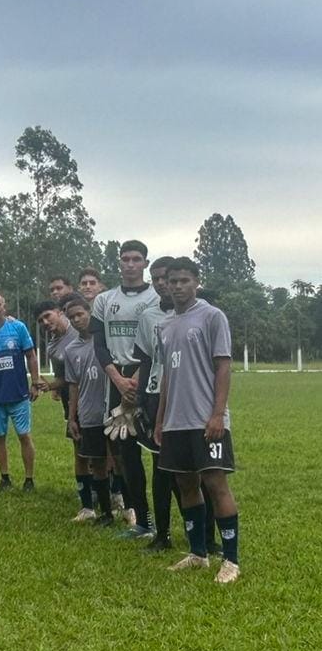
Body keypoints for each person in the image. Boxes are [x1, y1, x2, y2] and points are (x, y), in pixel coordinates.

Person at [156, 258, 240, 583]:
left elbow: (223, 367)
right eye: (172, 281)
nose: (177, 286)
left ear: (196, 281)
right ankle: (197, 554)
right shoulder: (164, 326)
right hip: (176, 423)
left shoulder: (212, 316)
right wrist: (161, 419)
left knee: (216, 483)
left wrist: (218, 414)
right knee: (186, 485)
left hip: (206, 420)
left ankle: (231, 561)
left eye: (183, 280)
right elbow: (167, 377)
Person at [91, 241, 161, 538]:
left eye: (136, 259)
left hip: (147, 380)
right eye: (125, 259)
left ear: (145, 263)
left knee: (159, 454)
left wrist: (135, 378)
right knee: (126, 455)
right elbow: (99, 345)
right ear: (119, 262)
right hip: (116, 382)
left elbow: (156, 343)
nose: (130, 264)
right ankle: (142, 521)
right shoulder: (104, 300)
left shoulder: (158, 297)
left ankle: (166, 523)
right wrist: (118, 380)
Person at [132, 257, 180, 553]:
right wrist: (139, 399)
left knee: (194, 472)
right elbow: (146, 360)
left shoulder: (196, 312)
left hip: (185, 396)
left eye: (166, 277)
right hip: (154, 397)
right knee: (160, 468)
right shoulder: (148, 316)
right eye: (157, 278)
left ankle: (206, 537)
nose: (162, 283)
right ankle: (162, 534)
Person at [0, 292, 43, 492]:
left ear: (4, 306)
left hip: (20, 394)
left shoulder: (17, 328)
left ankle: (29, 479)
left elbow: (31, 355)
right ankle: (5, 479)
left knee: (24, 436)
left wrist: (35, 382)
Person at [61, 294, 116, 526]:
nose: (76, 320)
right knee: (98, 463)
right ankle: (104, 513)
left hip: (113, 411)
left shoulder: (107, 340)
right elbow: (73, 385)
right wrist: (72, 417)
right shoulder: (71, 350)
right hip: (89, 412)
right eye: (71, 317)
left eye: (80, 314)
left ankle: (132, 509)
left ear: (89, 313)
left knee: (121, 460)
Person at [37, 299, 92, 519]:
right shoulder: (52, 346)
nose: (45, 322)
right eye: (41, 320)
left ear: (60, 313)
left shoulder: (83, 331)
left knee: (107, 454)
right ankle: (87, 504)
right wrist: (50, 386)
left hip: (96, 399)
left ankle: (116, 498)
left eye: (48, 316)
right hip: (73, 402)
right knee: (79, 451)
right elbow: (66, 379)